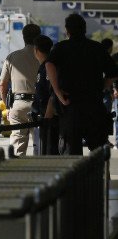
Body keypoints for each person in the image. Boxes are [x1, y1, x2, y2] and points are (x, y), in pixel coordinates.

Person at [46, 14, 118, 154]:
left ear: (67, 30)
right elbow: (113, 73)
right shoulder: (97, 48)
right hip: (93, 105)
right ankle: (100, 175)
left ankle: (75, 177)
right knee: (98, 151)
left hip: (69, 105)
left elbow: (49, 64)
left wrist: (58, 92)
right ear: (84, 29)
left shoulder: (61, 47)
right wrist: (102, 87)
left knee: (71, 152)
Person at [0, 23, 41, 156]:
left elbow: (2, 85)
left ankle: (16, 172)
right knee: (40, 143)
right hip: (40, 105)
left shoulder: (12, 57)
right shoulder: (45, 56)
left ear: (23, 37)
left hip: (18, 104)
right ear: (39, 37)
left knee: (17, 144)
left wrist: (7, 105)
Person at [33, 35, 58, 155]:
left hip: (49, 118)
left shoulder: (48, 66)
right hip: (42, 117)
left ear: (36, 50)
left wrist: (47, 116)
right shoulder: (43, 66)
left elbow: (52, 93)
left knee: (49, 151)